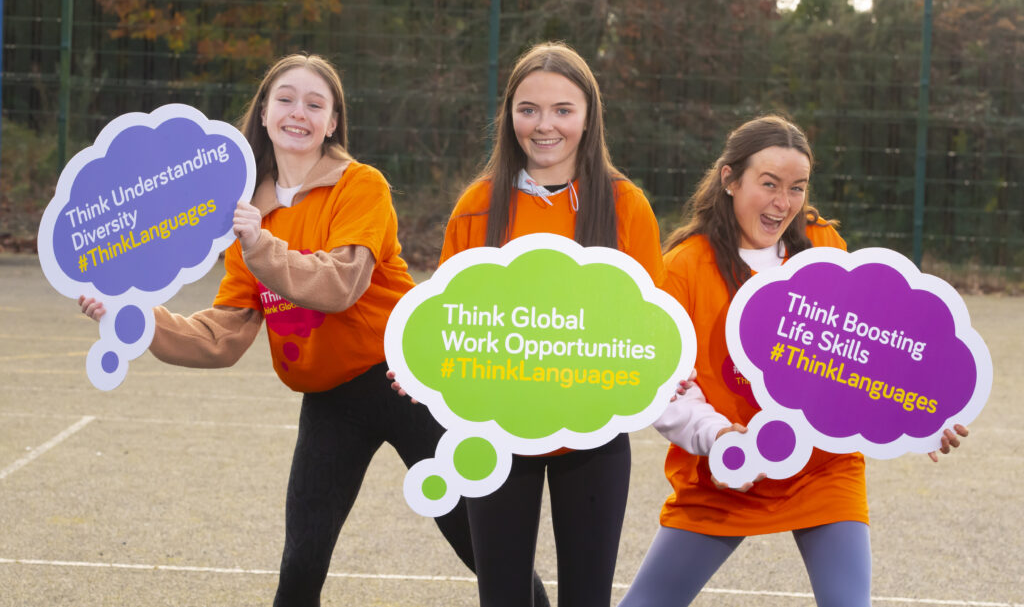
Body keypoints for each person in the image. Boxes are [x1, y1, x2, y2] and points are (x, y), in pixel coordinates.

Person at [78, 53, 550, 607]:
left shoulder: (361, 186)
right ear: (263, 113)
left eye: (314, 103)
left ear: (332, 122)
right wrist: (133, 318)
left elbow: (342, 282)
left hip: (409, 382)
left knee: (482, 547)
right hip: (330, 397)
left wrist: (261, 247)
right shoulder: (245, 213)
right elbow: (224, 333)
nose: (297, 112)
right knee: (301, 562)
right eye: (284, 99)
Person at [617, 115, 968, 607]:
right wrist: (719, 437)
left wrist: (928, 410)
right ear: (729, 180)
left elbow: (866, 351)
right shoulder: (682, 268)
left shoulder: (824, 246)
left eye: (797, 188)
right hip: (727, 470)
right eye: (769, 184)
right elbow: (667, 388)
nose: (784, 203)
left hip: (822, 471)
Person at [433, 41, 666, 607]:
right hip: (497, 434)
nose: (545, 126)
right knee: (503, 597)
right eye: (528, 109)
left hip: (594, 438)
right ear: (510, 115)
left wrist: (664, 371)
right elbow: (447, 321)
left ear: (588, 118)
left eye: (563, 109)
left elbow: (651, 324)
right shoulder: (477, 204)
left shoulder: (625, 205)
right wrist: (422, 372)